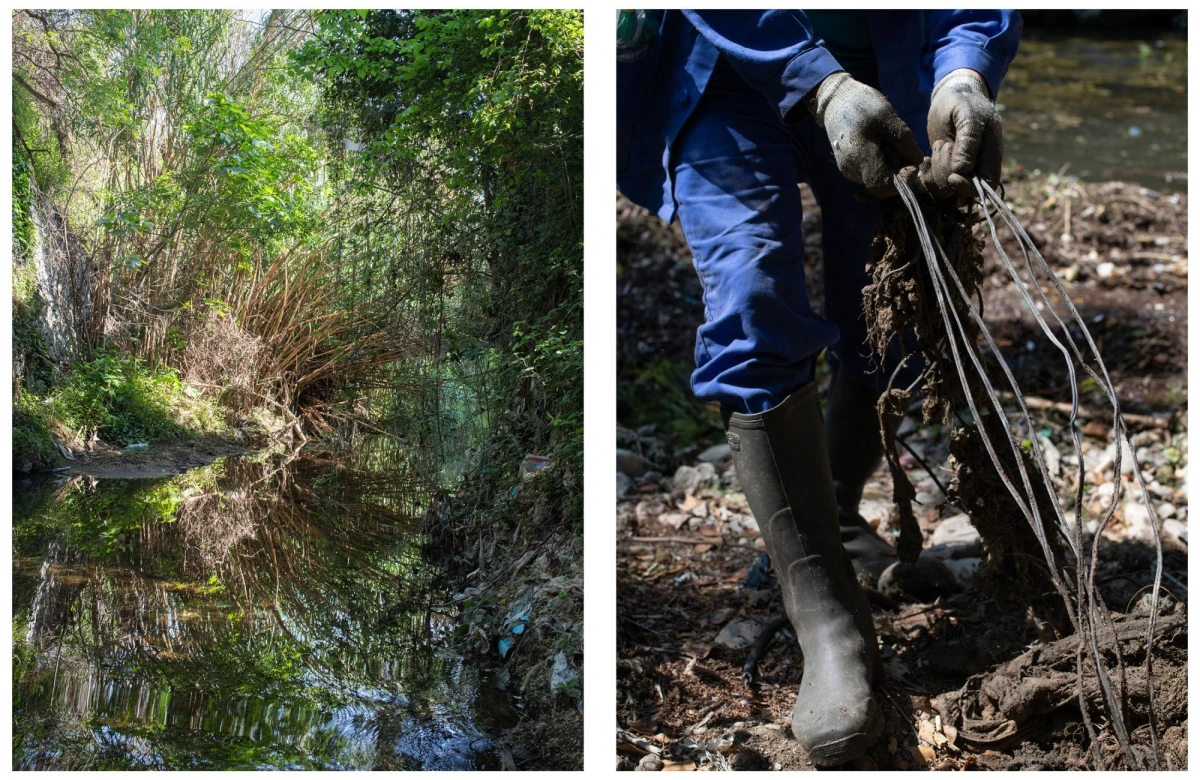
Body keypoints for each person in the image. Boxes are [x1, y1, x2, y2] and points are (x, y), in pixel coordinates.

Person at [617, 10, 1020, 766]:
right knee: (751, 299)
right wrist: (820, 82)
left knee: (890, 302)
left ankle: (830, 513)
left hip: (888, 66)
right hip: (728, 67)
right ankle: (832, 626)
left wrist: (964, 70)